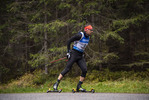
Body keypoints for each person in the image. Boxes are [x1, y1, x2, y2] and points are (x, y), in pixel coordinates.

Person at [53, 25, 93, 92]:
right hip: (74, 54)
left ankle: (79, 87)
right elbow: (69, 41)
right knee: (67, 69)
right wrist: (68, 52)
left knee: (84, 70)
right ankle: (56, 84)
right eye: (90, 30)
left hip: (80, 55)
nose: (92, 31)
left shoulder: (88, 37)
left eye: (92, 30)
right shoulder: (79, 35)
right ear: (86, 30)